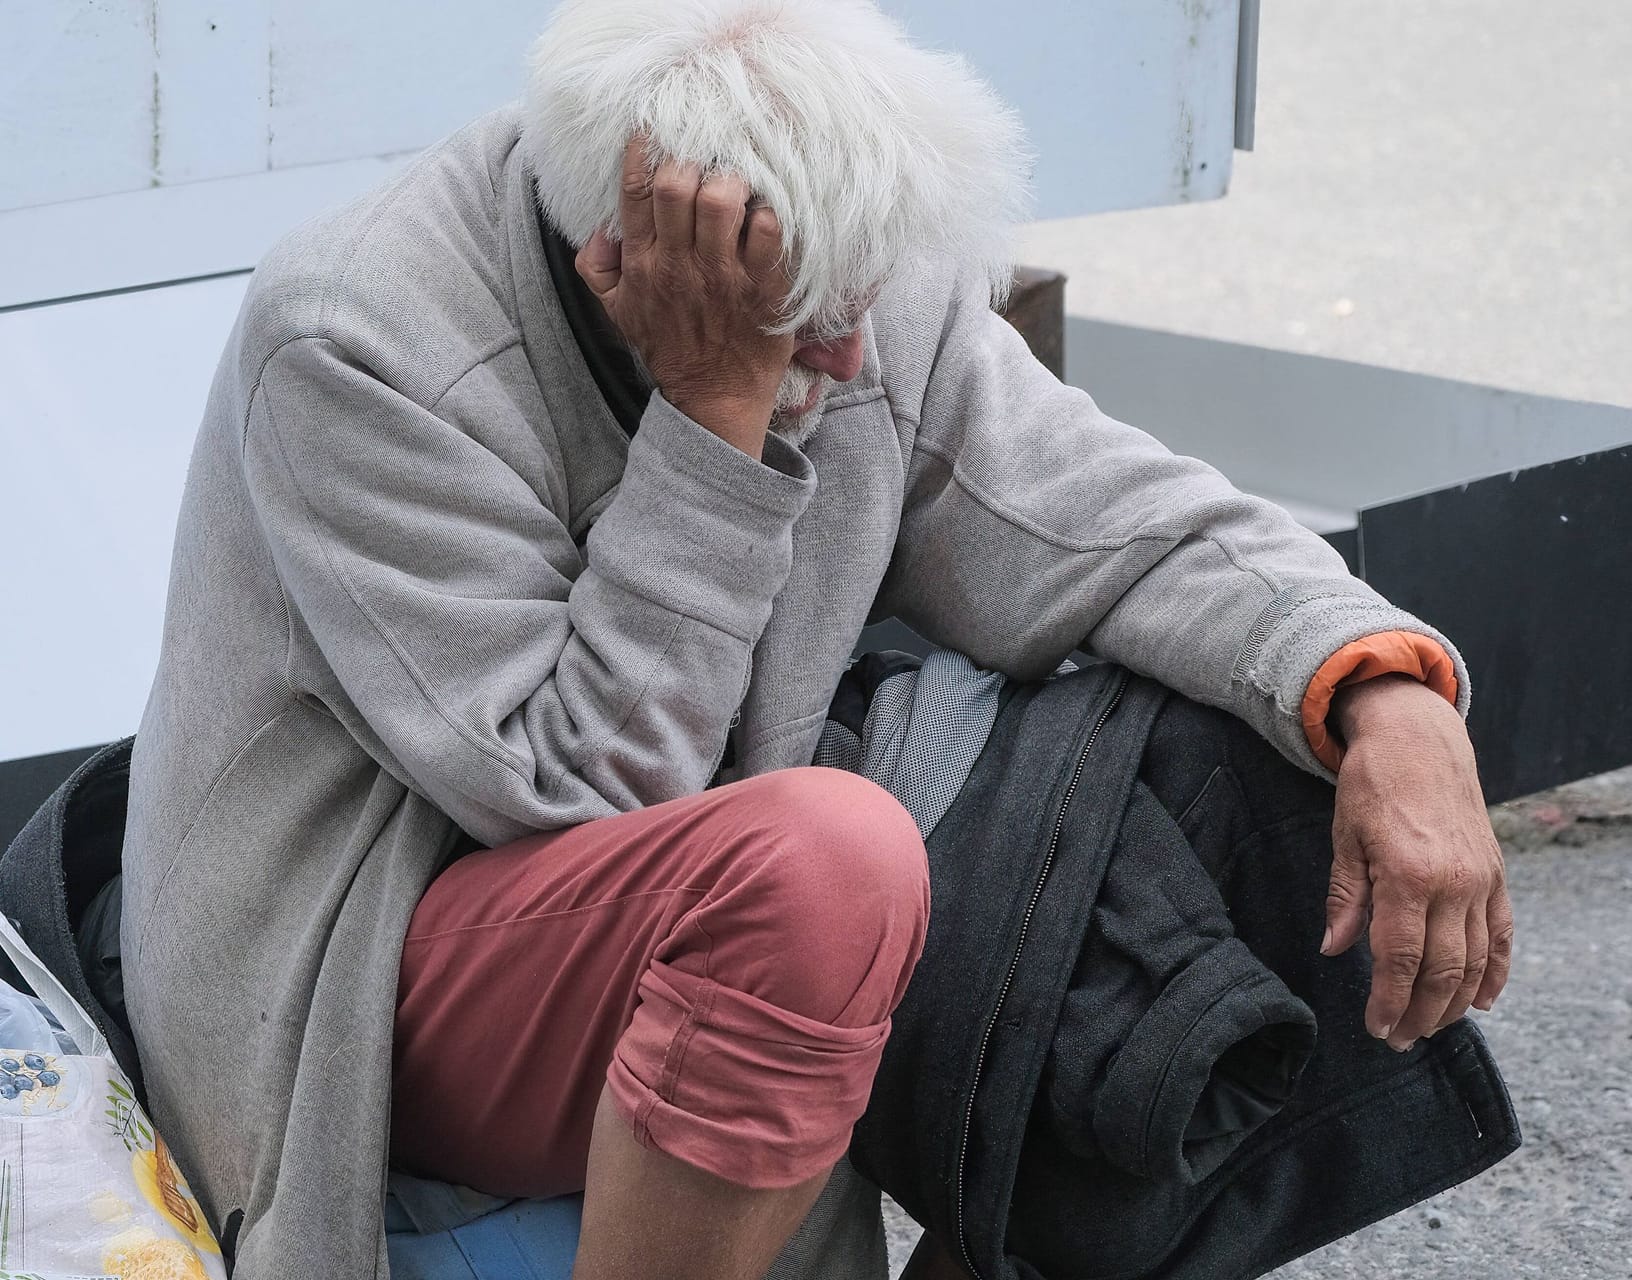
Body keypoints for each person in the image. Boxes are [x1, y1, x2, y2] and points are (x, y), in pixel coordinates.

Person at [119, 0, 1514, 1276]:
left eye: (866, 311)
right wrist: (715, 423)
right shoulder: (359, 335)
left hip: (686, 914)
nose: (853, 363)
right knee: (826, 860)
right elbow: (575, 794)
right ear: (629, 260)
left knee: (1244, 740)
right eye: (813, 330)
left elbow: (1117, 526)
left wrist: (1387, 691)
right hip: (370, 983)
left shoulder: (838, 275)